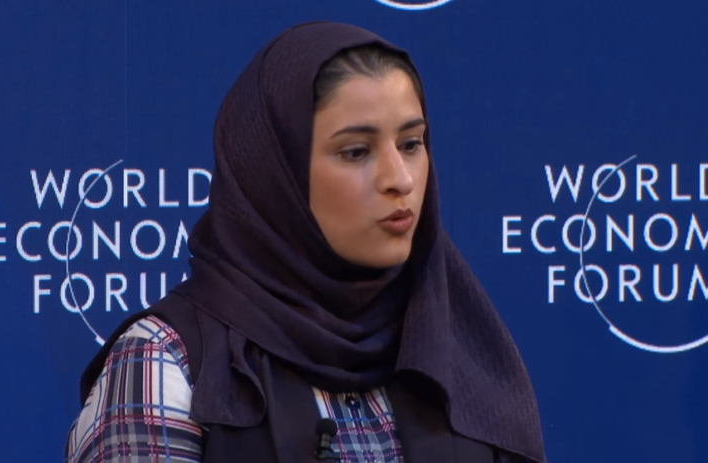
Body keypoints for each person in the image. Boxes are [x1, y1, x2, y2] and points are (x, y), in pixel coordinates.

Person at [65, 21, 546, 463]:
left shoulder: (462, 343)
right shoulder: (166, 361)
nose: (400, 179)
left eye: (411, 144)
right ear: (278, 176)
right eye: (355, 152)